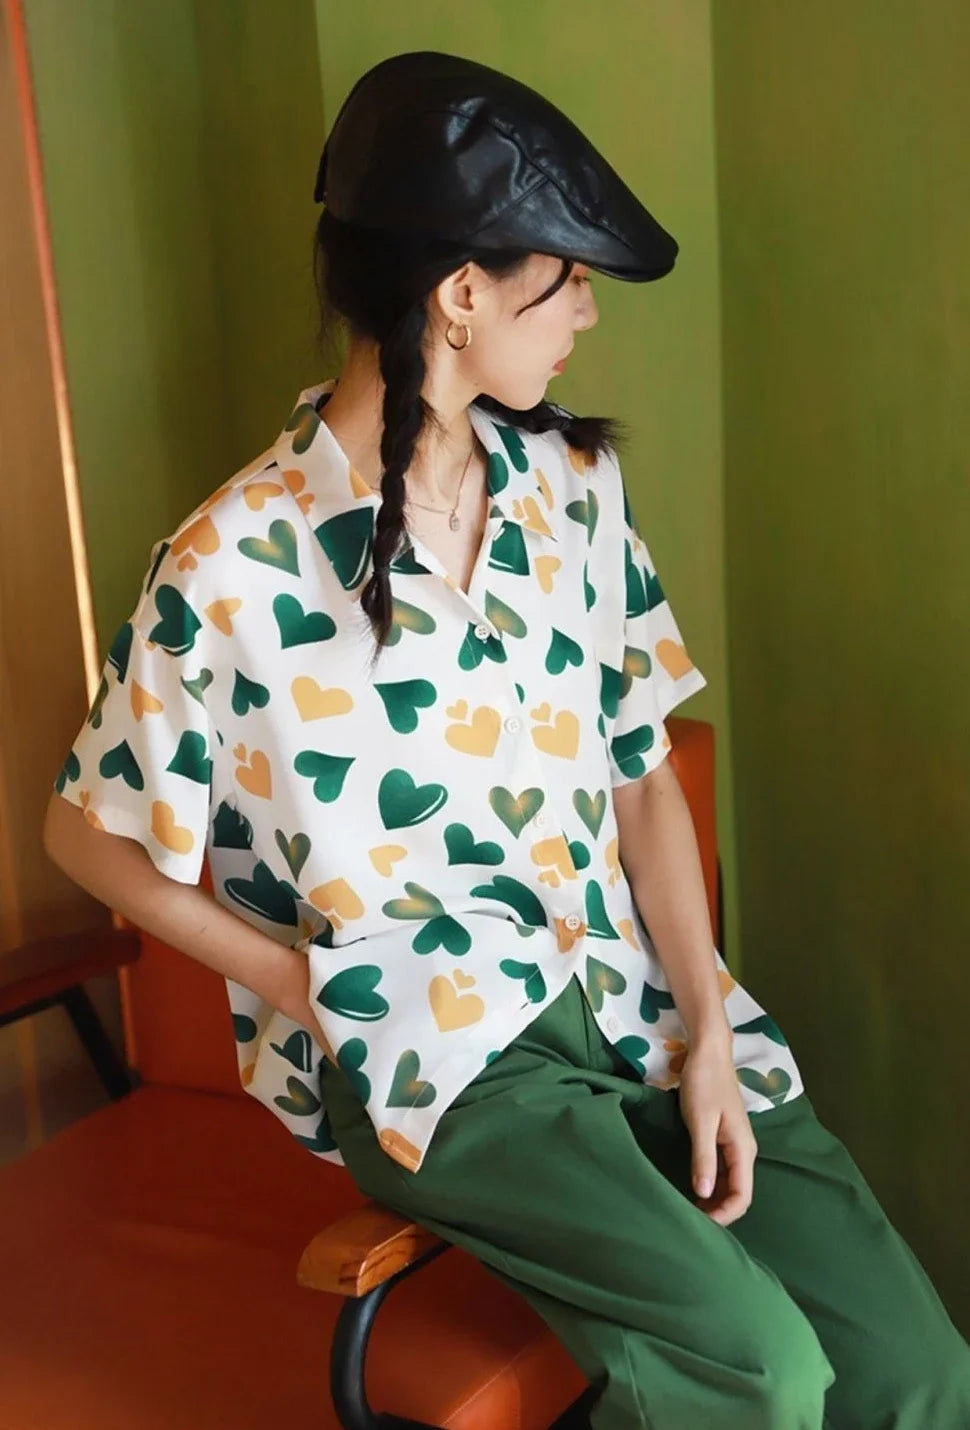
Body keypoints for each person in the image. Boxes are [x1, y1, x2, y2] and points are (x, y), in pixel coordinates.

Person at [43, 48, 970, 1430]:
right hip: (442, 1057)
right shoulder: (230, 565)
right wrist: (302, 986)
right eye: (567, 277)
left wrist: (711, 1029)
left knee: (916, 1367)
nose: (587, 312)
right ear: (461, 294)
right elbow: (82, 833)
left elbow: (639, 774)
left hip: (639, 1000)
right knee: (755, 1371)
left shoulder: (575, 488)